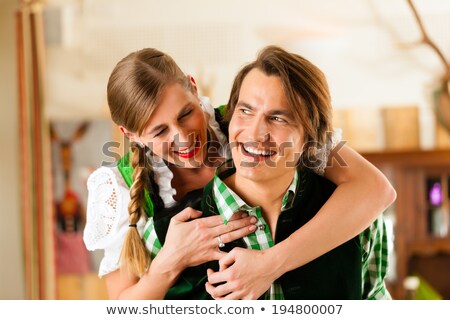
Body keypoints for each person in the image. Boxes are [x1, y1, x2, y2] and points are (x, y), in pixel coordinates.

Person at [83, 48, 396, 299]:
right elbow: (122, 305)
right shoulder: (118, 189)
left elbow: (375, 190)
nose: (182, 137)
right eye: (160, 130)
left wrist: (269, 265)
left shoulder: (244, 123)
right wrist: (170, 260)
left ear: (194, 89)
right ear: (132, 135)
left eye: (186, 114)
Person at [202, 45, 390, 299]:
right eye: (245, 111)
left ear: (310, 140)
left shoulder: (358, 221)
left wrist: (268, 265)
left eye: (278, 118)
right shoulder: (174, 232)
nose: (255, 133)